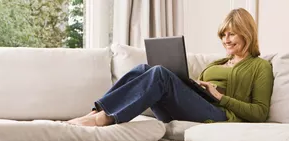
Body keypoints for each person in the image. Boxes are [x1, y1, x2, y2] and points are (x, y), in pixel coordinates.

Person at [68, 8, 274, 127]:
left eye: (231, 34)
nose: (226, 40)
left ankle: (106, 118)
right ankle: (95, 111)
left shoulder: (260, 66)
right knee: (143, 69)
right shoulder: (217, 64)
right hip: (193, 108)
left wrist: (220, 97)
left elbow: (260, 113)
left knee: (159, 73)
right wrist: (193, 85)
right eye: (223, 35)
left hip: (220, 115)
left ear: (246, 33)